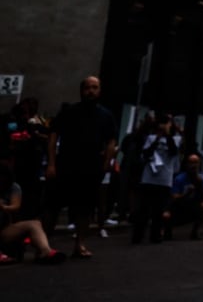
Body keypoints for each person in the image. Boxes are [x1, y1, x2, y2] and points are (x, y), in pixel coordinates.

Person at [45, 74, 116, 258]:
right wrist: (51, 164)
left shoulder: (106, 116)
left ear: (99, 91)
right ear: (81, 90)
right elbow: (53, 136)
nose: (91, 91)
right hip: (65, 165)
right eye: (87, 87)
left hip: (91, 168)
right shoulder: (69, 111)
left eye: (95, 87)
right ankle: (44, 245)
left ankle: (80, 244)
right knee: (52, 206)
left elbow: (111, 141)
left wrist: (106, 164)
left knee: (85, 209)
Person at [0, 162, 67, 265]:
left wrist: (4, 207)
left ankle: (46, 251)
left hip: (4, 230)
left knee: (34, 224)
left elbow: (15, 206)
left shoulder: (13, 187)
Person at [132, 111, 180, 244]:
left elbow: (173, 152)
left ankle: (155, 235)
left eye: (166, 124)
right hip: (148, 178)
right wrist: (157, 138)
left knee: (158, 210)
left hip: (164, 180)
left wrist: (168, 135)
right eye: (162, 123)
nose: (163, 126)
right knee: (143, 209)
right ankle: (138, 235)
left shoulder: (175, 139)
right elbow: (145, 154)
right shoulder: (151, 138)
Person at [169, 153, 203, 240]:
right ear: (187, 164)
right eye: (191, 163)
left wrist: (199, 184)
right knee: (166, 214)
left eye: (195, 163)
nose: (193, 166)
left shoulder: (202, 178)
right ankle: (166, 230)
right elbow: (174, 197)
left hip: (193, 205)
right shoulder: (179, 178)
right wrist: (186, 194)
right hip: (180, 205)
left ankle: (195, 232)